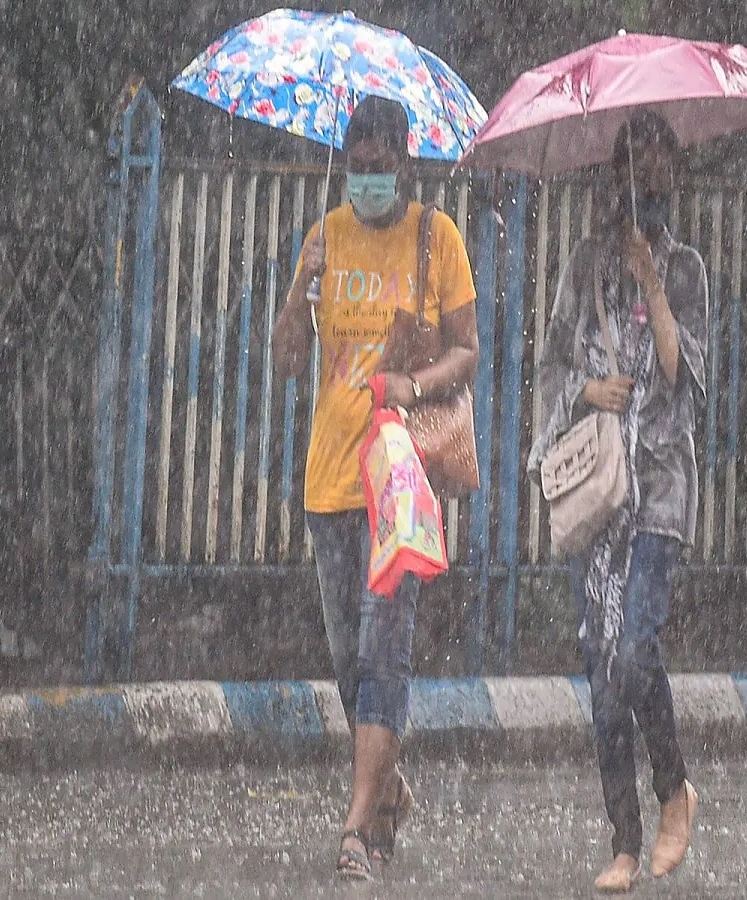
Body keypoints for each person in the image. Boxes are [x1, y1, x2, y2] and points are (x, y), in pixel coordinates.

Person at [273, 95, 478, 881]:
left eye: (380, 166)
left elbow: (468, 351)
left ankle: (357, 826)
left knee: (383, 648)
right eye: (355, 168)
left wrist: (410, 383)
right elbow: (289, 357)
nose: (367, 181)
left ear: (405, 159)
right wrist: (302, 292)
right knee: (348, 657)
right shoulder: (323, 237)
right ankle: (387, 788)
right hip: (330, 477)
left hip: (398, 480)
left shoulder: (438, 238)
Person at [528, 110, 708, 893]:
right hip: (597, 497)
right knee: (602, 673)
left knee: (634, 651)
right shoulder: (582, 264)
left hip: (660, 487)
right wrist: (584, 389)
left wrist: (652, 281)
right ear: (614, 176)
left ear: (673, 172)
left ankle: (674, 789)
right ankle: (624, 839)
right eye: (633, 163)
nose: (647, 178)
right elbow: (552, 365)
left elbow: (682, 376)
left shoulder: (689, 268)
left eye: (658, 162)